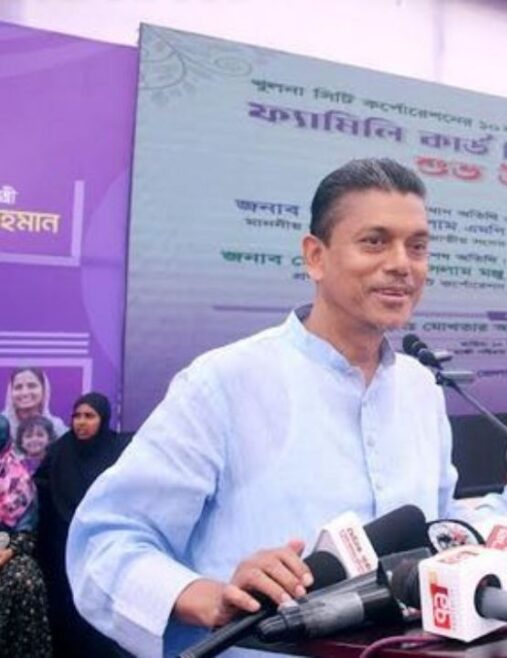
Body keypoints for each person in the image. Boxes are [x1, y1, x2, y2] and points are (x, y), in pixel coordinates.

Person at [67, 158, 459, 657]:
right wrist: (208, 597)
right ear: (315, 257)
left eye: (417, 247)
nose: (402, 264)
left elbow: (441, 528)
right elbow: (105, 542)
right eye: (375, 242)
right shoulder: (223, 382)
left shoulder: (421, 388)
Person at [35, 393, 129, 658]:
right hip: (65, 550)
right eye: (77, 416)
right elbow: (40, 488)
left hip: (106, 546)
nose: (81, 422)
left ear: (103, 419)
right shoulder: (60, 451)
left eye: (89, 416)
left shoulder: (119, 452)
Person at [0, 416, 52, 658]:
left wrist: (7, 553)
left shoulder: (19, 479)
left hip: (9, 550)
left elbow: (27, 532)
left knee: (26, 581)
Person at [3, 368, 68, 439]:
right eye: (18, 387)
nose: (25, 393)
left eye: (31, 386)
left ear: (44, 390)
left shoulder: (56, 428)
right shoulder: (2, 425)